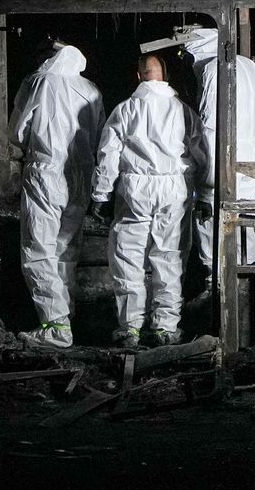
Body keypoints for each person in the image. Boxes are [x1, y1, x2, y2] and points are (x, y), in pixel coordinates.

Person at [89, 54, 209, 348]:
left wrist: (101, 194)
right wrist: (205, 192)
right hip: (174, 187)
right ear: (164, 75)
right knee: (169, 259)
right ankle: (165, 328)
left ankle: (130, 328)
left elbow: (108, 155)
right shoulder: (183, 111)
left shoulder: (126, 110)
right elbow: (201, 153)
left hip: (136, 188)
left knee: (128, 259)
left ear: (139, 75)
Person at [9, 42, 105, 349]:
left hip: (47, 171)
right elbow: (101, 132)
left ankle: (55, 327)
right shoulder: (90, 88)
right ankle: (67, 317)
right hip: (81, 174)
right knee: (66, 250)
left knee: (39, 248)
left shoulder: (39, 81)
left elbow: (17, 132)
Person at [183, 28, 255, 276]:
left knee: (209, 215)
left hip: (223, 153)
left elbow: (210, 124)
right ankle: (246, 268)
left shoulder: (214, 68)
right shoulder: (252, 68)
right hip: (252, 151)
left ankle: (215, 278)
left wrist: (201, 166)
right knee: (244, 214)